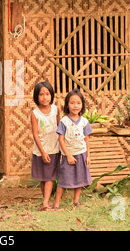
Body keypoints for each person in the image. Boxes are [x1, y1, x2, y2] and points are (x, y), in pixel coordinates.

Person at [53, 89, 92, 210]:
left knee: (80, 178)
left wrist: (88, 155)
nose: (75, 106)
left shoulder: (84, 122)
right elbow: (61, 139)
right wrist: (68, 155)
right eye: (72, 103)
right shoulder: (64, 122)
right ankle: (56, 204)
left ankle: (76, 201)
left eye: (78, 103)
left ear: (82, 105)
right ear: (67, 105)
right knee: (64, 179)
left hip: (81, 153)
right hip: (68, 155)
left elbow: (86, 139)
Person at [30, 81, 61, 211]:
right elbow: (35, 134)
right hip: (41, 150)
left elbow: (60, 128)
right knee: (43, 178)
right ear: (36, 96)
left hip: (54, 148)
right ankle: (46, 201)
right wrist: (42, 152)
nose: (45, 97)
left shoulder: (56, 109)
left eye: (47, 94)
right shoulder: (35, 114)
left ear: (51, 95)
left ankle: (45, 201)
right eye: (41, 94)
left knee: (50, 177)